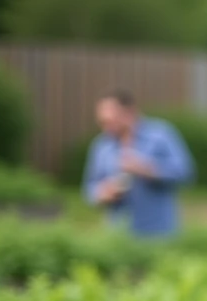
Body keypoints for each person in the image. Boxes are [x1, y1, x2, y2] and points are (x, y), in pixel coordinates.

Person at [81, 90, 194, 237]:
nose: (105, 128)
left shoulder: (161, 135)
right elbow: (89, 189)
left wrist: (147, 169)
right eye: (102, 122)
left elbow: (186, 173)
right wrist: (103, 193)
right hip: (117, 234)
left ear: (130, 113)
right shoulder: (101, 145)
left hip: (158, 232)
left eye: (111, 121)